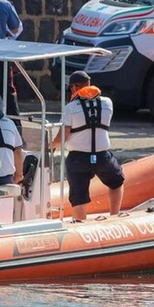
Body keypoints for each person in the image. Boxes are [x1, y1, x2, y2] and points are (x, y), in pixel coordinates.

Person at [50, 72, 124, 220]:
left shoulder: (70, 108)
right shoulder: (108, 103)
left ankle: (80, 224)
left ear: (74, 87)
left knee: (79, 198)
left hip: (78, 159)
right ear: (89, 84)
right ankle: (114, 216)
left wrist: (50, 146)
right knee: (117, 182)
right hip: (103, 156)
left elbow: (63, 137)